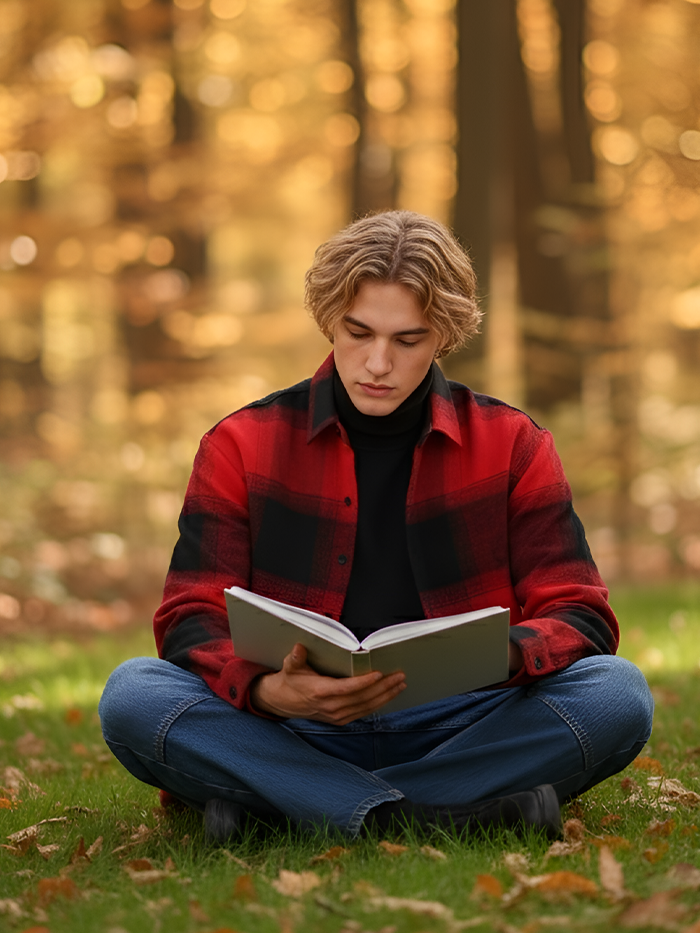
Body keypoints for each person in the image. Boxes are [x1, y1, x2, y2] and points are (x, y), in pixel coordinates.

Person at [99, 211, 654, 842]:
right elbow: (189, 615)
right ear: (329, 318)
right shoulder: (240, 444)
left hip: (465, 721)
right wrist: (272, 693)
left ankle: (292, 807)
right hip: (291, 724)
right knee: (133, 695)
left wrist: (489, 658)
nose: (378, 362)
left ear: (443, 334)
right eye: (358, 333)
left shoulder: (513, 443)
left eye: (407, 340)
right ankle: (447, 812)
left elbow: (580, 613)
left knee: (617, 694)